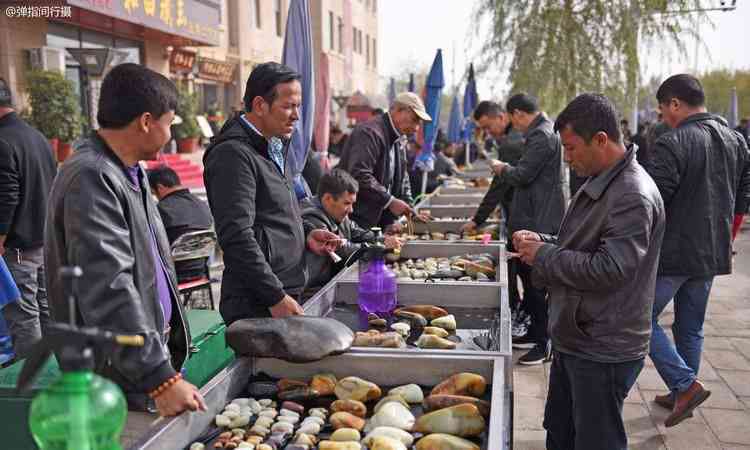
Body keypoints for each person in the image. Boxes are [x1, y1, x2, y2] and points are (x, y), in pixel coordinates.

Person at [45, 63, 205, 416]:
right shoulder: (92, 175)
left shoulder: (128, 170)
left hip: (135, 362)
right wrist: (157, 376)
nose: (171, 133)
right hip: (113, 373)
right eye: (169, 123)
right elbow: (107, 286)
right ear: (146, 122)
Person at [514, 93, 665, 450]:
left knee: (597, 440)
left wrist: (545, 256)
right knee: (561, 432)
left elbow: (610, 269)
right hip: (577, 335)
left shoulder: (631, 194)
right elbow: (582, 243)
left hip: (602, 344)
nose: (567, 157)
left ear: (601, 139)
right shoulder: (601, 179)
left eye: (570, 148)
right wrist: (543, 241)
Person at [644, 74, 750, 427]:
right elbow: (742, 199)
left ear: (675, 104)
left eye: (663, 110)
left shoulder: (673, 142)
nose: (663, 118)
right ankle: (680, 394)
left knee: (639, 319)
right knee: (690, 328)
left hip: (675, 252)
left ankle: (685, 385)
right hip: (713, 250)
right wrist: (729, 237)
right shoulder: (736, 140)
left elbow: (653, 202)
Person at [203, 62, 340, 324]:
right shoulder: (232, 155)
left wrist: (306, 232)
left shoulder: (275, 145)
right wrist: (273, 296)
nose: (296, 116)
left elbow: (277, 211)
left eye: (298, 106)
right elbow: (236, 236)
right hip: (258, 301)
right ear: (259, 105)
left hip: (285, 288)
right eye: (288, 106)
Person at [489, 93, 565, 365]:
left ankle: (545, 344)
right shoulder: (540, 133)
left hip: (539, 220)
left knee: (537, 284)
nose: (514, 124)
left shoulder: (541, 136)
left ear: (518, 113)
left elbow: (522, 174)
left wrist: (501, 168)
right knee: (529, 280)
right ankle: (535, 332)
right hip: (532, 216)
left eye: (513, 118)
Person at [0, 77, 57, 359]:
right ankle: (52, 379)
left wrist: (1, 238)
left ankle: (31, 390)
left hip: (19, 248)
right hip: (45, 243)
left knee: (24, 317)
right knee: (47, 312)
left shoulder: (2, 140)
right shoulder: (38, 137)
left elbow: (7, 196)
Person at [461, 101, 524, 314]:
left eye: (488, 127)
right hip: (517, 207)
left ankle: (519, 313)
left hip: (523, 211)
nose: (488, 133)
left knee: (523, 268)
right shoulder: (510, 138)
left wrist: (477, 219)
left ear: (501, 117)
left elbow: (499, 186)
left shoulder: (511, 143)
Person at [338, 92, 431, 230]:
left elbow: (403, 179)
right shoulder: (370, 133)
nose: (416, 128)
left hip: (377, 223)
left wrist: (409, 210)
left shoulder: (398, 139)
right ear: (398, 110)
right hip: (356, 220)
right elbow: (359, 174)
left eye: (419, 122)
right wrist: (390, 201)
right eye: (415, 119)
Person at [302, 169, 403, 289]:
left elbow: (357, 232)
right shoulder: (312, 218)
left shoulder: (335, 212)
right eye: (346, 203)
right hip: (313, 291)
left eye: (352, 204)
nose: (351, 210)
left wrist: (382, 239)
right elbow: (342, 249)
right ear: (328, 198)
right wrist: (380, 248)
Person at [146, 165, 214, 282]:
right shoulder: (201, 204)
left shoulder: (161, 209)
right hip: (201, 271)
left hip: (173, 275)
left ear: (160, 188)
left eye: (154, 193)